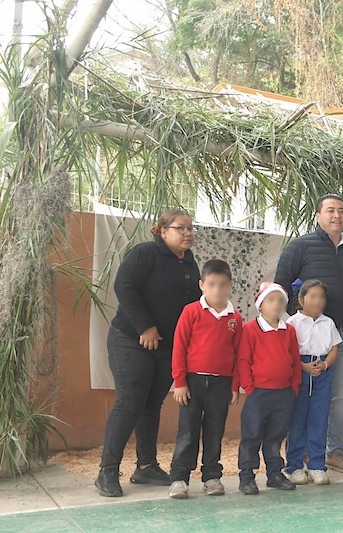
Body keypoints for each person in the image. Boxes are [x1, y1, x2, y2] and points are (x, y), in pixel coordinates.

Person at [96, 210, 201, 498]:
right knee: (130, 401)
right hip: (130, 339)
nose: (188, 233)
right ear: (162, 230)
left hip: (166, 346)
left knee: (151, 404)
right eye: (181, 228)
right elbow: (124, 286)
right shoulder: (145, 253)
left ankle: (145, 467)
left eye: (191, 228)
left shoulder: (189, 261)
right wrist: (145, 326)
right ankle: (107, 471)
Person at [275, 194, 343, 474]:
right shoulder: (301, 246)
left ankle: (334, 452)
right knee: (301, 394)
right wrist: (299, 319)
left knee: (339, 396)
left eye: (341, 210)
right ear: (317, 215)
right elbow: (280, 286)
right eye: (330, 210)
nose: (336, 215)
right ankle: (297, 453)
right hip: (306, 336)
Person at [168, 260, 243, 499]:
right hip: (192, 383)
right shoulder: (191, 312)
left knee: (214, 431)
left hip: (221, 384)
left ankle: (212, 476)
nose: (217, 290)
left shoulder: (235, 319)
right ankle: (179, 478)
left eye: (222, 284)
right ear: (202, 285)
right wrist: (179, 381)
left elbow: (238, 353)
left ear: (230, 285)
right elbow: (179, 347)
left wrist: (234, 385)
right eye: (211, 284)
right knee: (188, 431)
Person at [237, 282, 302, 495]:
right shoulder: (250, 329)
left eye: (280, 300)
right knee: (252, 435)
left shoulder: (289, 331)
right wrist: (250, 387)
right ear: (260, 305)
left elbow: (294, 359)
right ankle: (247, 475)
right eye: (271, 300)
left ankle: (274, 473)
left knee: (275, 435)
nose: (276, 304)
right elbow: (244, 359)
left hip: (283, 393)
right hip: (259, 394)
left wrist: (293, 387)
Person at [285, 280, 342, 486]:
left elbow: (335, 348)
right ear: (301, 299)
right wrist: (303, 367)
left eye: (321, 297)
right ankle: (294, 466)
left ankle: (317, 465)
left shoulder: (328, 323)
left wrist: (325, 364)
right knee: (297, 420)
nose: (318, 301)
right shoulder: (292, 323)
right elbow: (288, 352)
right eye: (313, 296)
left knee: (319, 419)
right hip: (300, 371)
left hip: (322, 373)